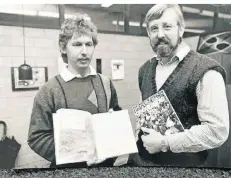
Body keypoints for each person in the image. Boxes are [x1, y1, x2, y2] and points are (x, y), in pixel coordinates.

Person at [135, 4, 229, 167]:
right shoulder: (144, 70)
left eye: (167, 26)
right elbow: (147, 112)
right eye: (154, 28)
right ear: (148, 33)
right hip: (148, 166)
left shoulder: (206, 70)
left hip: (189, 169)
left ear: (181, 29)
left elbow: (217, 131)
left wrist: (165, 142)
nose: (160, 34)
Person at [27, 13, 121, 168]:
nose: (84, 51)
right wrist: (77, 153)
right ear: (63, 48)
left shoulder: (105, 83)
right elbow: (37, 137)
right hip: (67, 170)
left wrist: (113, 129)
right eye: (77, 45)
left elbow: (116, 119)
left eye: (89, 44)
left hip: (104, 168)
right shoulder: (49, 90)